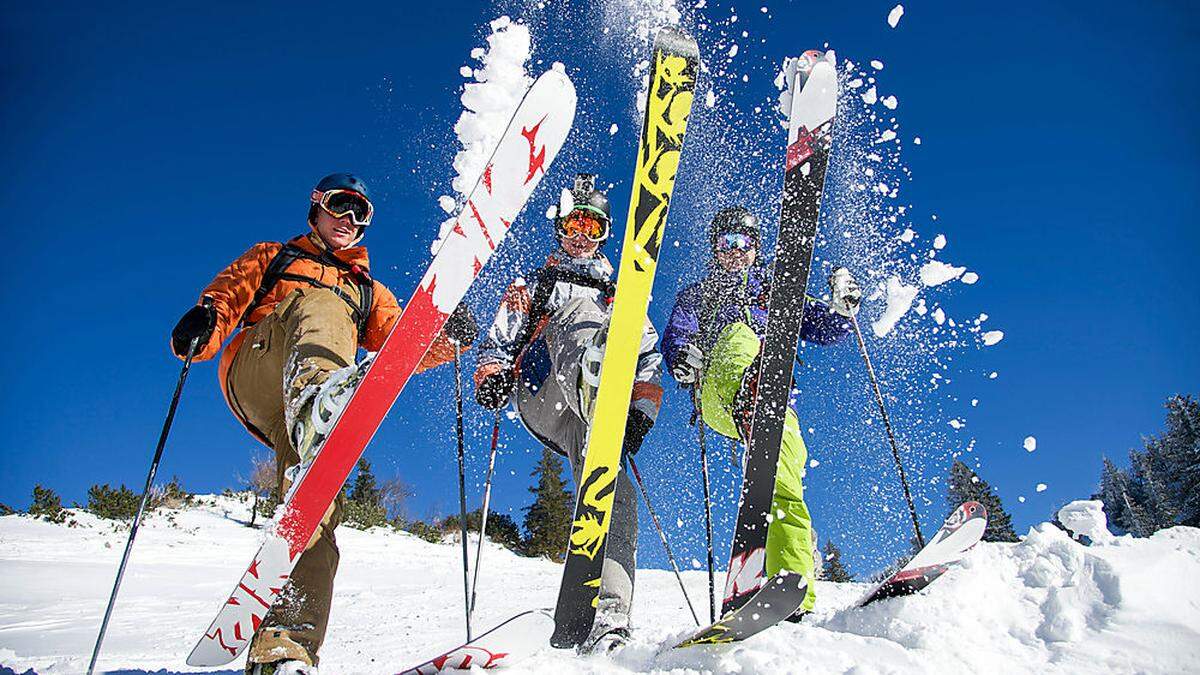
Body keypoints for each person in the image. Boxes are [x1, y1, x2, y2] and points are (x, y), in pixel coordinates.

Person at [170, 173, 477, 675]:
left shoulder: (369, 292)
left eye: (362, 214)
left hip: (307, 411)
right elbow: (228, 294)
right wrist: (204, 325)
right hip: (261, 369)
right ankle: (320, 400)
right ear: (316, 208)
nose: (350, 220)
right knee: (319, 303)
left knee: (313, 511)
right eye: (341, 205)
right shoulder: (277, 256)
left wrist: (445, 337)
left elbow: (400, 346)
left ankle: (285, 651)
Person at [472, 174, 662, 652]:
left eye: (592, 227)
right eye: (574, 223)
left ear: (603, 233)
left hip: (589, 420)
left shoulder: (622, 293)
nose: (581, 235)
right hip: (545, 391)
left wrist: (639, 411)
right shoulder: (533, 285)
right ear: (559, 226)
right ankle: (595, 384)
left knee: (614, 490)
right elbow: (497, 341)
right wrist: (492, 375)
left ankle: (610, 617)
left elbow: (650, 356)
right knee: (580, 311)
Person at [660, 206, 861, 618]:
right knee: (741, 337)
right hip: (720, 392)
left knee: (786, 481)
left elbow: (824, 330)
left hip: (777, 405)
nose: (735, 251)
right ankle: (758, 383)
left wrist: (843, 309)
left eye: (744, 242)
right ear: (714, 249)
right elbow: (676, 338)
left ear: (755, 247)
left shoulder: (776, 290)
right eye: (726, 243)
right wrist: (684, 360)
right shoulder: (698, 295)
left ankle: (791, 589)